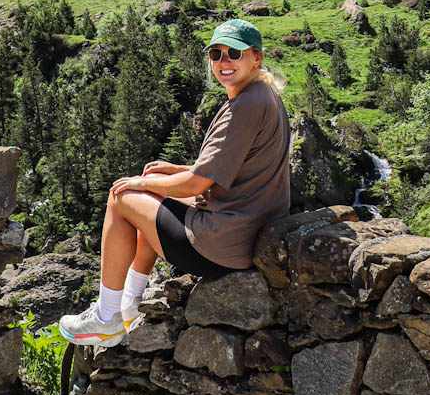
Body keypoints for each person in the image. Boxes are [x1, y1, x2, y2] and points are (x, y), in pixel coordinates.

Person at [59, 18, 291, 346]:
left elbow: (197, 184)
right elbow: (227, 171)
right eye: (216, 54)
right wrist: (167, 172)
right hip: (244, 230)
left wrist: (144, 185)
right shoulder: (262, 96)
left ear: (256, 58)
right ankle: (129, 305)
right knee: (154, 182)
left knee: (121, 197)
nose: (224, 61)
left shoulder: (246, 105)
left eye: (234, 54)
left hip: (221, 244)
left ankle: (106, 318)